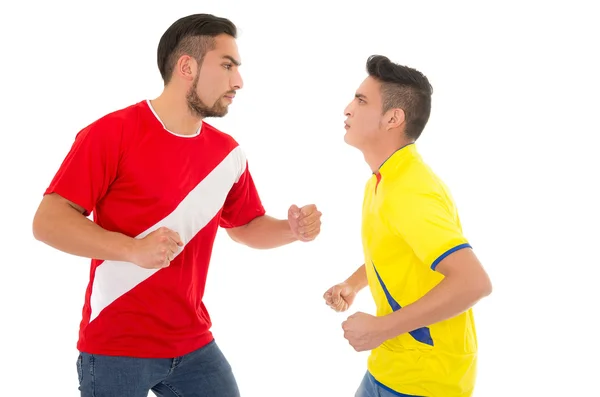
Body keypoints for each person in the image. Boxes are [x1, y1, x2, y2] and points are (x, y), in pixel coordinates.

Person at [32, 13, 322, 397]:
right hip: (116, 347)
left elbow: (245, 226)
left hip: (194, 345)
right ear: (187, 66)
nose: (239, 81)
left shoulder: (228, 154)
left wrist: (292, 230)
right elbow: (48, 221)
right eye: (227, 65)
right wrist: (132, 249)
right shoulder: (111, 133)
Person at [323, 55, 492, 397]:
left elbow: (474, 282)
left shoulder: (411, 191)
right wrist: (354, 284)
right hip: (389, 369)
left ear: (393, 118)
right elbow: (398, 253)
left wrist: (380, 329)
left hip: (425, 382)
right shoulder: (383, 181)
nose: (347, 108)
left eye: (361, 100)